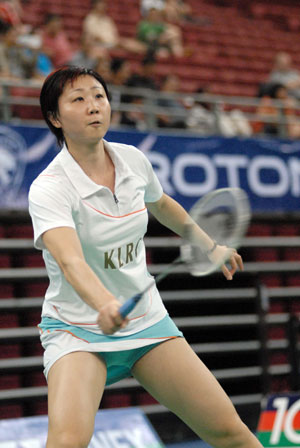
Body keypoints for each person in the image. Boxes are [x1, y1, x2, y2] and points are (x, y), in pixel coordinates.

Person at [28, 66, 263, 448]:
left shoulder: (133, 159)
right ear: (55, 118)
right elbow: (70, 261)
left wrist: (210, 245)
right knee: (66, 443)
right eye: (78, 99)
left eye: (99, 96)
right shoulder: (49, 188)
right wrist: (104, 304)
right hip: (79, 330)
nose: (94, 107)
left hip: (146, 322)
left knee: (229, 432)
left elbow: (163, 204)